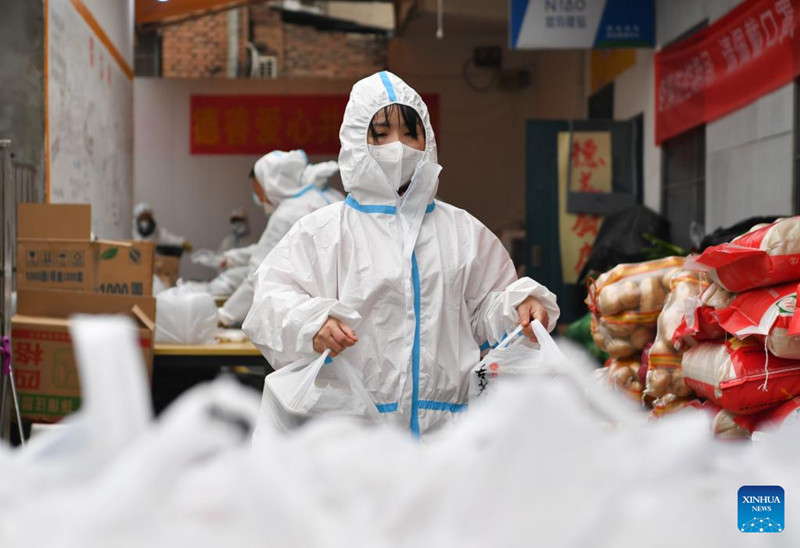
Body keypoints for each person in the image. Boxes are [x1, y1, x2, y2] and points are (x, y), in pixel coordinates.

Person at [243, 71, 560, 438]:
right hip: (351, 436)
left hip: (445, 436)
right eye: (381, 134)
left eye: (411, 133)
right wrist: (311, 325)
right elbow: (270, 301)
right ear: (355, 141)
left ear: (429, 141)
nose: (399, 146)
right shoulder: (322, 233)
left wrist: (516, 309)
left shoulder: (463, 232)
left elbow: (483, 309)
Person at [217, 151, 344, 326]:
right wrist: (234, 258)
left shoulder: (287, 214)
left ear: (271, 184)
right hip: (341, 302)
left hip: (315, 313)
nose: (257, 197)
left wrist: (227, 314)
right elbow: (279, 248)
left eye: (257, 189)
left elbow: (260, 273)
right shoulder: (328, 195)